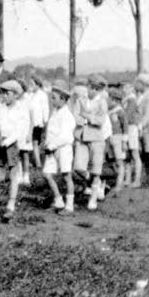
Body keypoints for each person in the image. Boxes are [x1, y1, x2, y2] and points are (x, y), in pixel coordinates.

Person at [0, 79, 31, 221]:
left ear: (15, 94)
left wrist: (7, 142)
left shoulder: (21, 109)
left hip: (12, 143)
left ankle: (11, 204)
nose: (4, 96)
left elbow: (21, 130)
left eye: (7, 93)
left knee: (13, 173)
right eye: (2, 93)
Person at [74, 75, 110, 209]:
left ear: (96, 89)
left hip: (96, 138)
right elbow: (76, 115)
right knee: (78, 167)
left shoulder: (102, 102)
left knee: (96, 169)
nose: (88, 90)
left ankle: (93, 199)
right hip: (82, 136)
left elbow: (101, 120)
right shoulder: (80, 100)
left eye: (91, 88)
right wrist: (83, 119)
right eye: (88, 87)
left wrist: (87, 117)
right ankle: (94, 182)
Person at [42, 84, 77, 215]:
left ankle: (69, 206)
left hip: (63, 149)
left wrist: (52, 146)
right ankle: (58, 200)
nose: (52, 100)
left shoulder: (67, 115)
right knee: (47, 174)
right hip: (52, 149)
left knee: (66, 176)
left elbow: (66, 136)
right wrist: (47, 144)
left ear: (62, 99)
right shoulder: (56, 112)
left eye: (54, 98)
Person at [135, 73, 149, 185]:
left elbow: (148, 115)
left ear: (143, 84)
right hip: (143, 127)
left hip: (147, 128)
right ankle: (148, 175)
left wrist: (140, 125)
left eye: (138, 82)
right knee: (144, 152)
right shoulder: (142, 96)